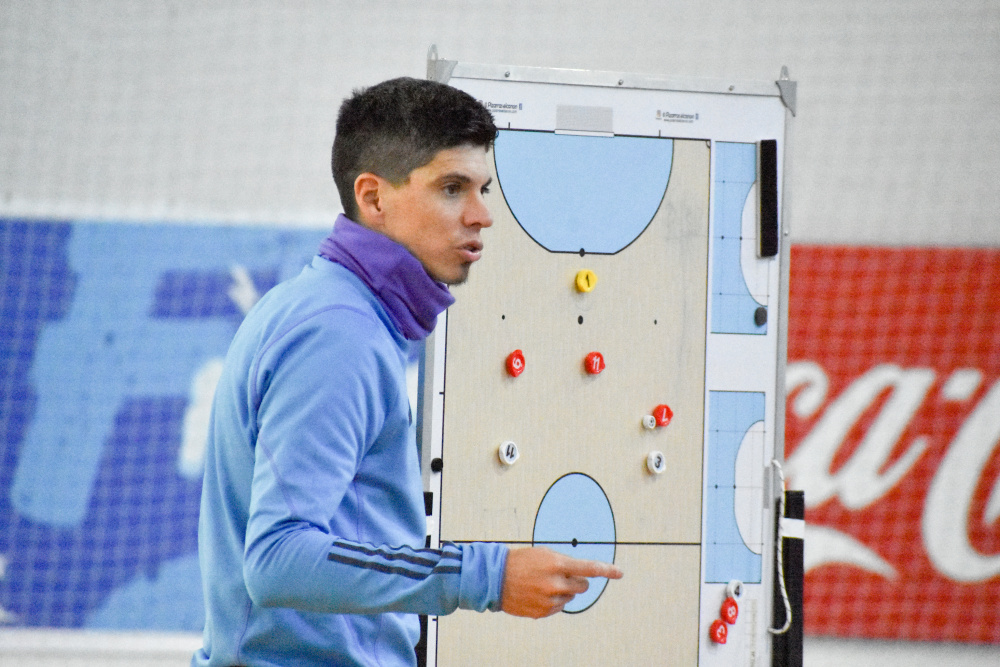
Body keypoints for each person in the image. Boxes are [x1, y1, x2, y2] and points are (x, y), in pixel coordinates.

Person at [193, 77, 622, 667]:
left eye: (483, 188)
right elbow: (278, 558)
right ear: (372, 198)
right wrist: (485, 576)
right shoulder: (339, 332)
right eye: (452, 188)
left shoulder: (337, 310)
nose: (482, 215)